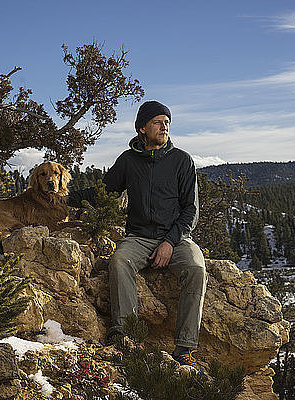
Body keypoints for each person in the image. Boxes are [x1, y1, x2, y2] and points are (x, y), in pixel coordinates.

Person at [69, 100, 206, 369]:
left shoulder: (182, 160)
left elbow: (191, 210)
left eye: (167, 122)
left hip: (176, 237)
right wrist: (63, 198)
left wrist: (169, 242)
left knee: (197, 269)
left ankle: (185, 347)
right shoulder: (128, 161)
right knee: (119, 262)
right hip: (139, 237)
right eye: (157, 122)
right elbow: (103, 193)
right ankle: (125, 335)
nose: (164, 126)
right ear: (142, 128)